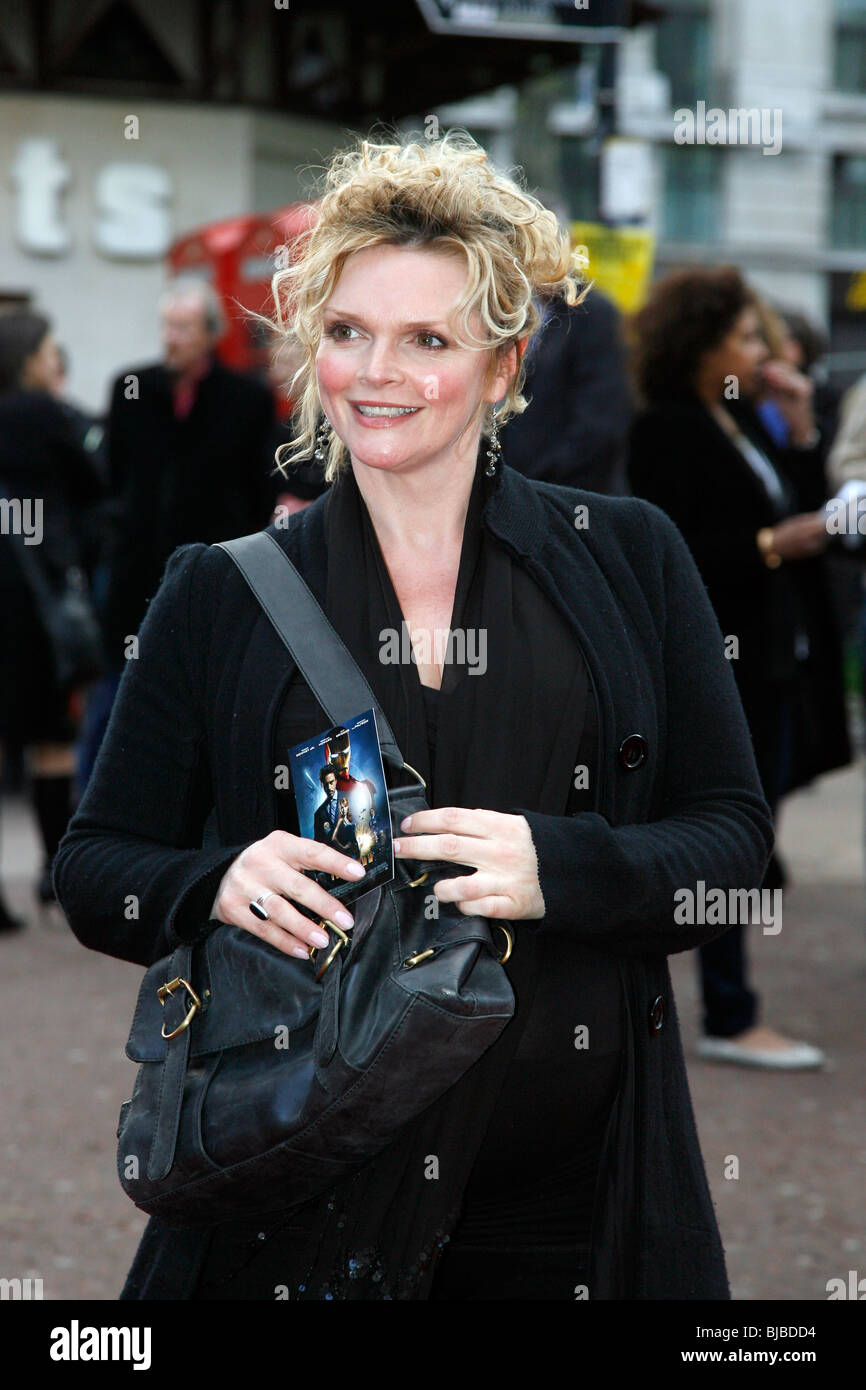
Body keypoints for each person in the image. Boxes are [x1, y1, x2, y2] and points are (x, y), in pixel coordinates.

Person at [54, 132, 773, 1301]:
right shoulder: (222, 588)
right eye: (345, 333)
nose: (373, 372)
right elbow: (98, 867)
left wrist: (567, 866)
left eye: (427, 339)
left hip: (569, 1214)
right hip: (294, 1189)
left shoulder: (628, 559)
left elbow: (732, 844)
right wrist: (211, 884)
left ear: (504, 365)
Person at [628, 266, 849, 1070]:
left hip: (777, 658)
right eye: (747, 335)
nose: (761, 351)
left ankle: (728, 999)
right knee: (738, 837)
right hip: (724, 659)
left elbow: (793, 502)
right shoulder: (669, 429)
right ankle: (730, 1010)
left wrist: (796, 428)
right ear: (707, 341)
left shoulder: (740, 421)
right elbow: (676, 551)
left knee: (756, 833)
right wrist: (767, 547)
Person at [77, 279, 280, 788]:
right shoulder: (132, 388)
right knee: (118, 694)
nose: (171, 337)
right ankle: (100, 804)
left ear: (210, 334)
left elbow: (259, 488)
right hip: (134, 570)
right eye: (167, 325)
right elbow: (115, 476)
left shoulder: (247, 398)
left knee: (206, 691)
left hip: (215, 569)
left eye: (184, 328)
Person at [0, 311, 105, 922]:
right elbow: (95, 486)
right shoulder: (43, 415)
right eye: (46, 349)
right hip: (35, 600)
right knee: (51, 742)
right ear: (28, 358)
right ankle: (51, 875)